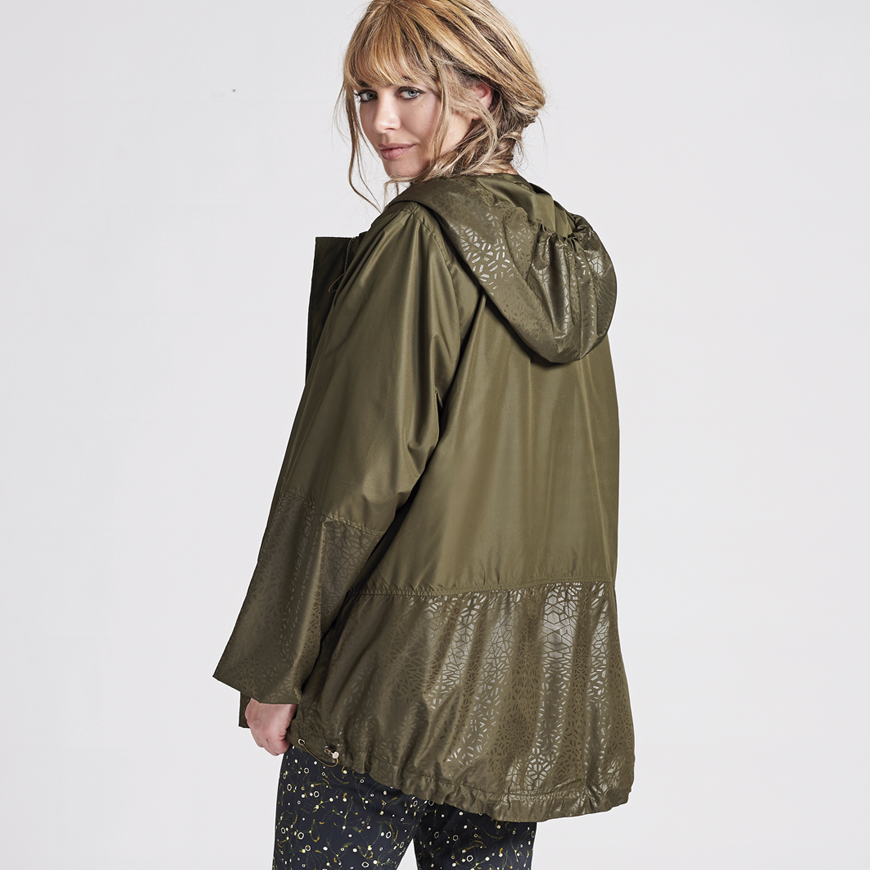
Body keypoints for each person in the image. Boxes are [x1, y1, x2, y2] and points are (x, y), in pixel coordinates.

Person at [214, 1, 635, 867]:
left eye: (411, 91)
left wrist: (276, 668)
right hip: (521, 686)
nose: (381, 122)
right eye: (366, 94)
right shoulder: (562, 250)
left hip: (386, 681)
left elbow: (350, 479)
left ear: (482, 94)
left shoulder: (420, 239)